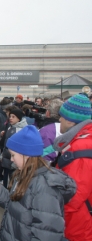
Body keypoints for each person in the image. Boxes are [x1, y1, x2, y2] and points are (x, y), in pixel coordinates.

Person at [0, 125, 76, 241]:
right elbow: (14, 205)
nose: (11, 159)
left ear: (26, 155)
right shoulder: (25, 175)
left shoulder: (44, 189)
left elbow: (46, 235)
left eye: (13, 155)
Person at [53, 93, 92, 240]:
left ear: (70, 121)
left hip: (77, 229)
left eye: (62, 116)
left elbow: (72, 197)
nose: (59, 119)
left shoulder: (80, 151)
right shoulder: (83, 142)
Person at [1, 108, 28, 188]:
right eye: (10, 116)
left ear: (19, 118)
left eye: (13, 117)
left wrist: (14, 162)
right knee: (7, 180)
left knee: (12, 182)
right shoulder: (11, 127)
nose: (10, 118)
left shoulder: (20, 130)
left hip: (13, 163)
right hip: (7, 160)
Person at [38, 98, 63, 163]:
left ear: (48, 113)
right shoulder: (67, 127)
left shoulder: (46, 131)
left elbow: (44, 158)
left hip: (48, 168)